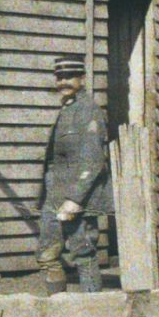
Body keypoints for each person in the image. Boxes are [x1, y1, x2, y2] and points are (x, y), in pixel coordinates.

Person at [39, 54, 114, 293]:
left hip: (77, 199)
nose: (63, 82)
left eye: (69, 77)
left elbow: (93, 161)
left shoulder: (88, 110)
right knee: (46, 255)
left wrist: (74, 200)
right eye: (59, 77)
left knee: (83, 255)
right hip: (55, 197)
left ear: (82, 78)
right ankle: (59, 314)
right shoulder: (67, 108)